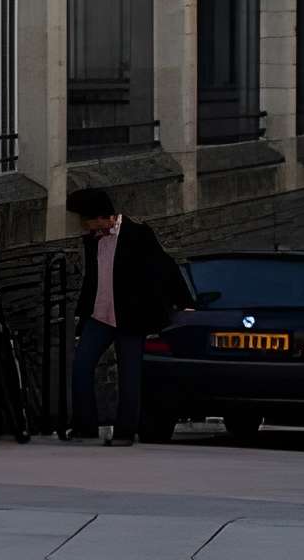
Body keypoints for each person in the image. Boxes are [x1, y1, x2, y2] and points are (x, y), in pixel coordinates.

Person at [62, 186, 187, 445]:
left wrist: (183, 302)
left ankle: (125, 432)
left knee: (130, 375)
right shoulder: (92, 239)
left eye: (86, 220)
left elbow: (165, 267)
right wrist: (81, 313)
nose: (83, 226)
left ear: (99, 217)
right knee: (81, 366)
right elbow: (93, 278)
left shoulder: (138, 233)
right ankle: (85, 426)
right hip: (99, 315)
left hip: (131, 317)